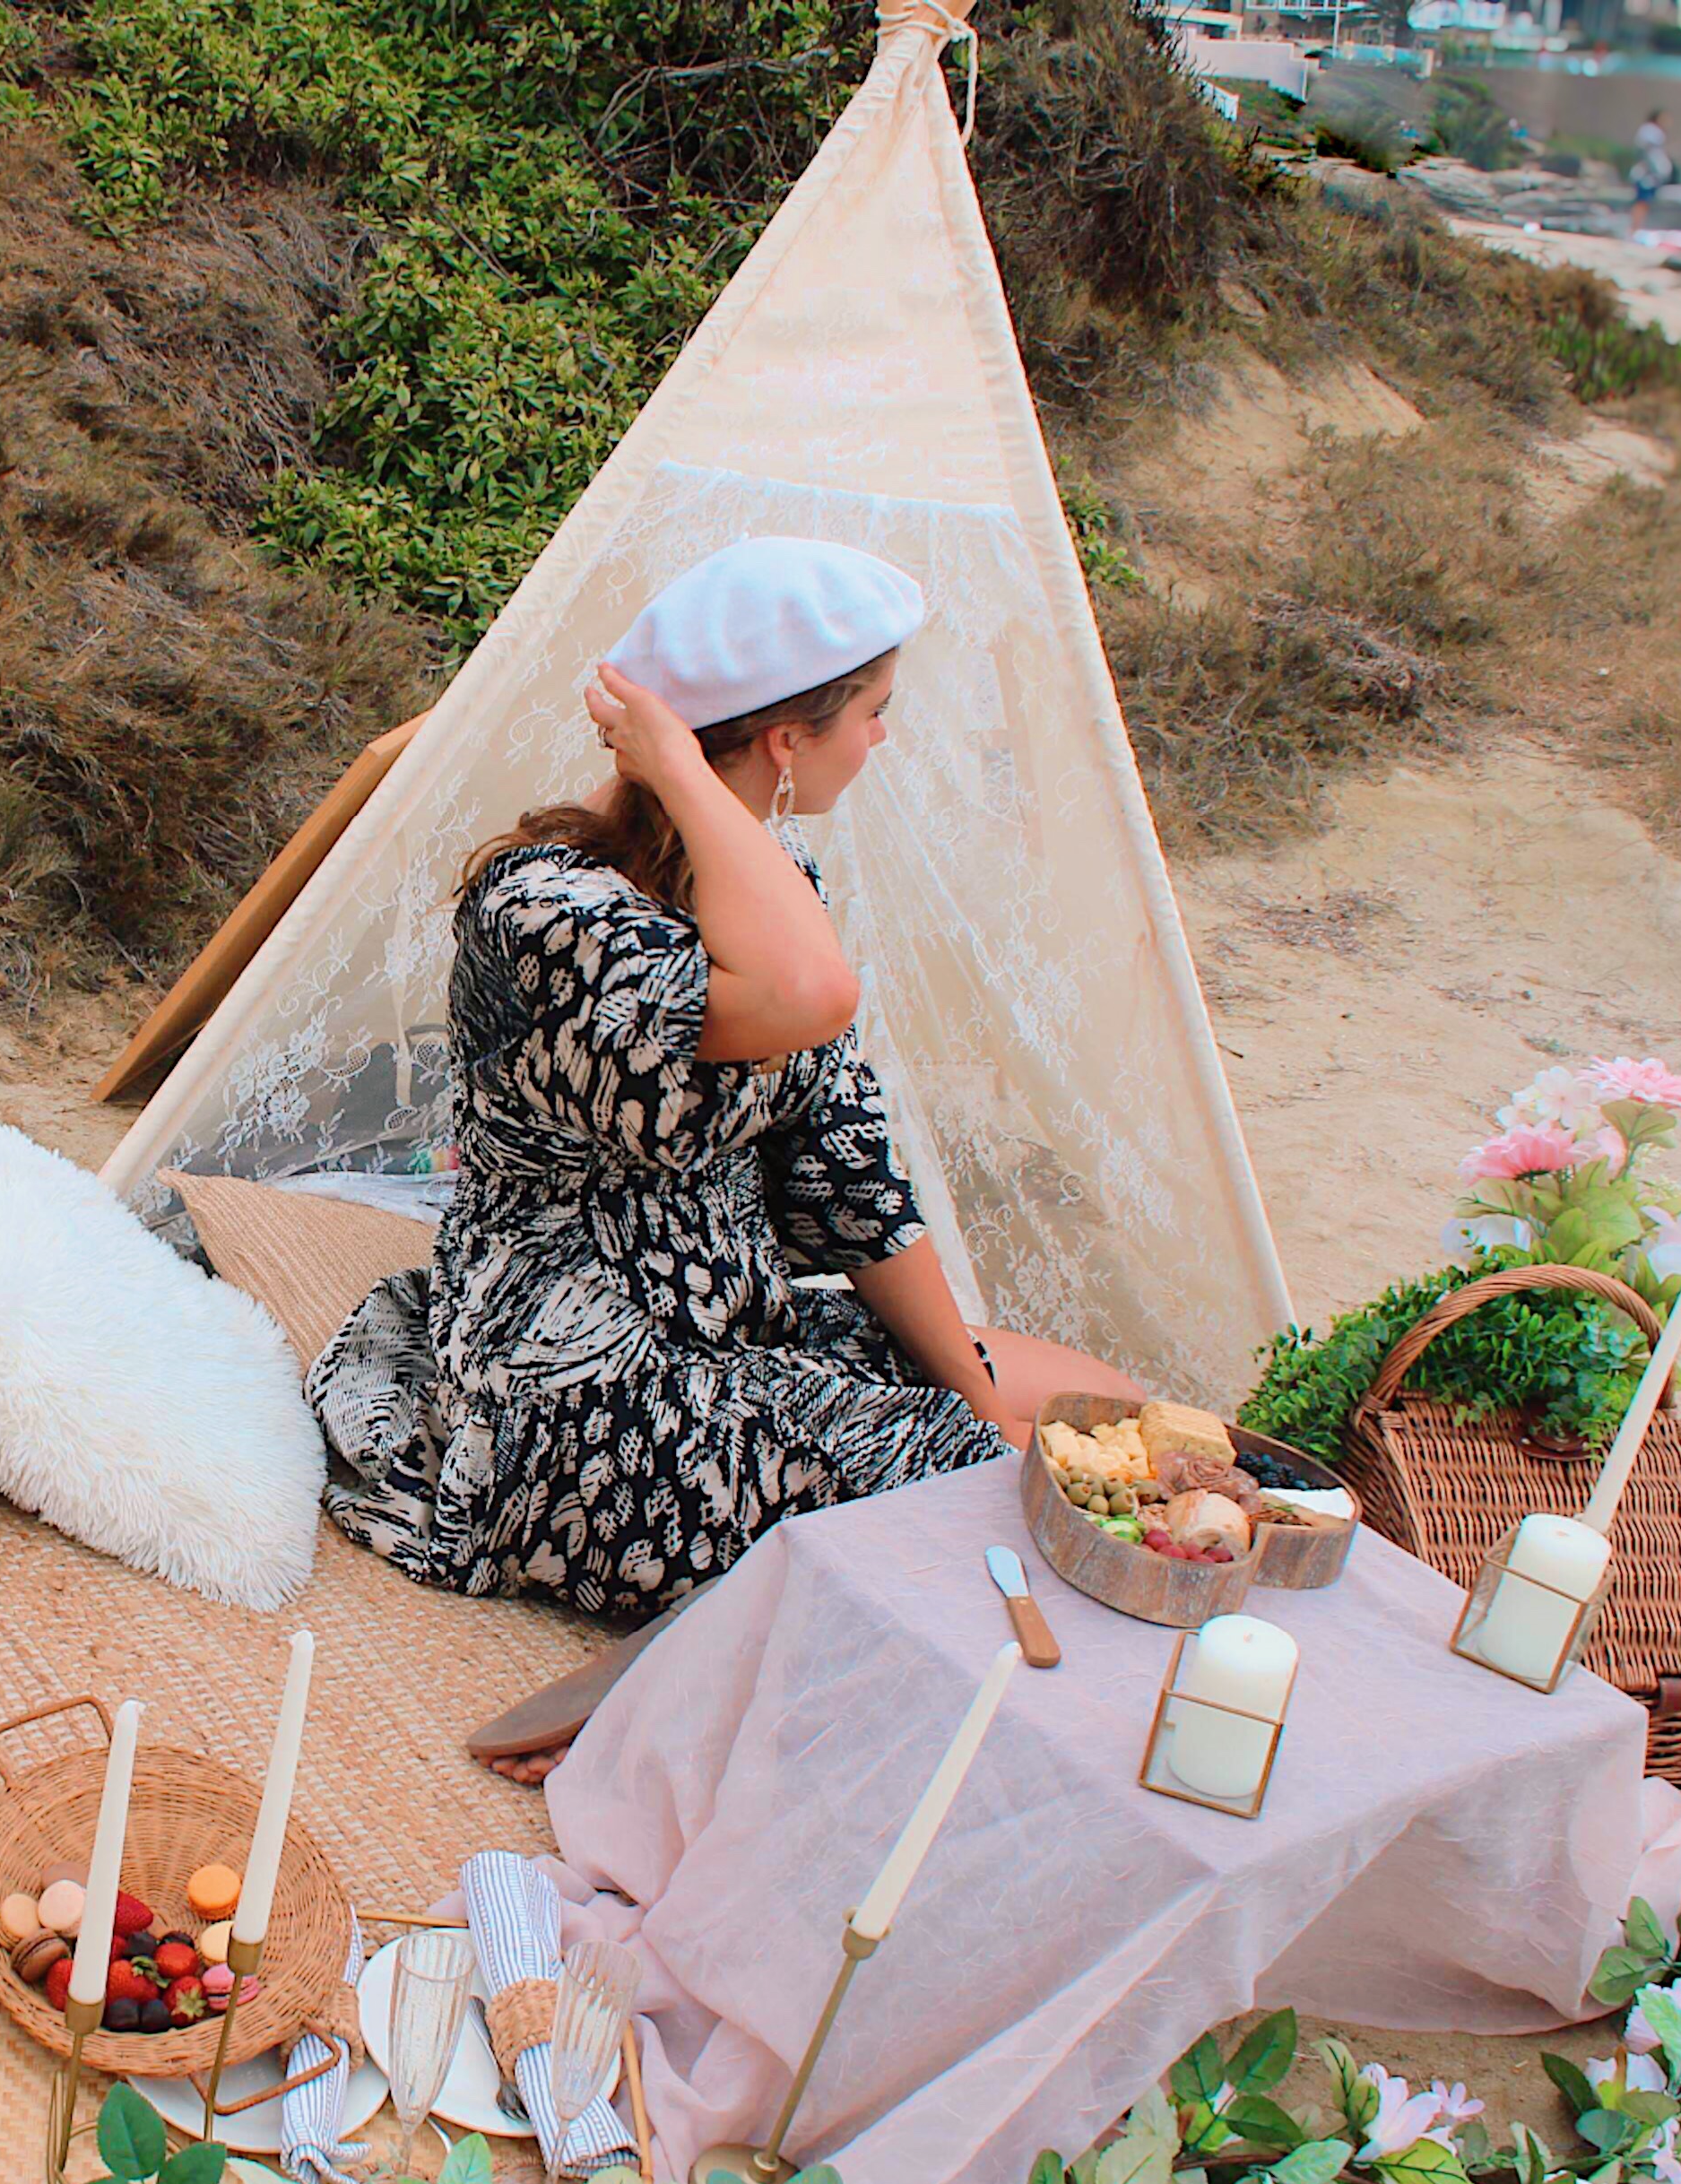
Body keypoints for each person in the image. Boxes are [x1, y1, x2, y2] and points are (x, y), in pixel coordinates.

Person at [307, 538, 1094, 1781]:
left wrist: (977, 1386)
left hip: (726, 1326)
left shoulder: (772, 896)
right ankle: (674, 1675)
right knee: (976, 1492)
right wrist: (673, 757)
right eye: (873, 713)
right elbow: (808, 996)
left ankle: (734, 1602)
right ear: (784, 741)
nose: (883, 739)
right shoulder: (545, 912)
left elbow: (849, 1179)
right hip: (570, 1383)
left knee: (1075, 1404)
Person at [1628, 108, 1673, 237]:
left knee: (1645, 203)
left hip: (1652, 176)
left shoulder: (1652, 133)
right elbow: (1649, 154)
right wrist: (1657, 170)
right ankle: (1634, 229)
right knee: (1642, 202)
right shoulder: (1650, 132)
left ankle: (1637, 229)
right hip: (1647, 176)